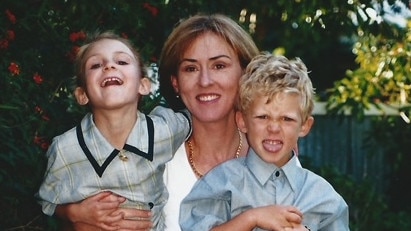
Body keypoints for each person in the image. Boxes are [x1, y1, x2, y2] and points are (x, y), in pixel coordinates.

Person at [53, 14, 303, 231]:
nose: (205, 81)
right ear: (175, 82)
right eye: (190, 69)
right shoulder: (149, 151)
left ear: (245, 74)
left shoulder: (271, 150)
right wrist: (72, 214)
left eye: (219, 65)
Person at [36, 31, 191, 231]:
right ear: (82, 95)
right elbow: (47, 201)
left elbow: (197, 115)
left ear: (143, 85)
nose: (109, 66)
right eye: (96, 65)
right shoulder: (66, 149)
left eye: (122, 62)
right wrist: (75, 213)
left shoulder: (165, 130)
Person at [179, 53, 350, 231]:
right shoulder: (221, 184)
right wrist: (252, 218)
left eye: (287, 119)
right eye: (263, 117)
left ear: (305, 126)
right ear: (242, 121)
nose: (274, 128)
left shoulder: (323, 198)